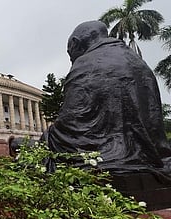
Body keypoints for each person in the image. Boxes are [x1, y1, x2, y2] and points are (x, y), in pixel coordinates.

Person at [42, 20, 171, 175]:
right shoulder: (138, 61)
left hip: (108, 151)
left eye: (70, 55)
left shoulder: (85, 63)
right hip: (151, 152)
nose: (72, 61)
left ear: (75, 44)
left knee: (45, 141)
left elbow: (71, 123)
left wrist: (50, 133)